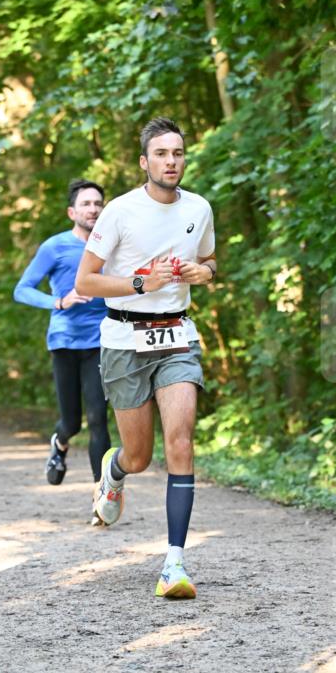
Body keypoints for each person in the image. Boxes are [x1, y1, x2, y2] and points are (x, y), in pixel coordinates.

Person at [75, 117, 217, 599]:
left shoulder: (199, 207)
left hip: (177, 335)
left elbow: (211, 259)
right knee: (140, 456)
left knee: (181, 443)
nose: (171, 161)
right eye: (161, 154)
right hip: (123, 339)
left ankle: (174, 565)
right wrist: (141, 282)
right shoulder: (119, 212)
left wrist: (205, 272)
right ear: (145, 161)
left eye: (177, 153)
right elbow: (85, 283)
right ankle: (113, 472)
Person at [14, 179, 111, 524]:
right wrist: (59, 301)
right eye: (86, 204)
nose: (93, 209)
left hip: (101, 342)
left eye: (98, 203)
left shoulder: (112, 246)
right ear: (73, 212)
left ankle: (102, 499)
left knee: (99, 417)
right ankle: (60, 442)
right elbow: (21, 290)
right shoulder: (55, 247)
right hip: (64, 341)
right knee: (72, 420)